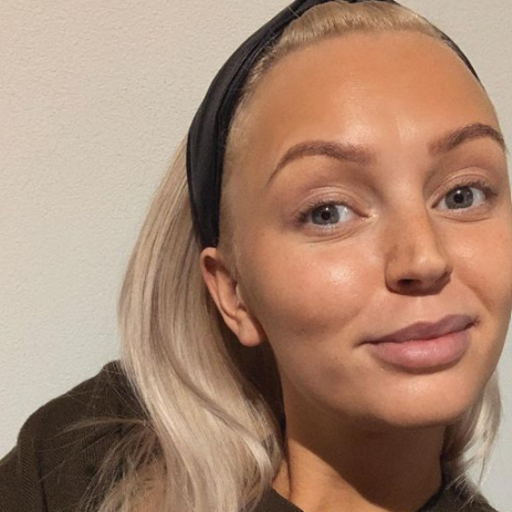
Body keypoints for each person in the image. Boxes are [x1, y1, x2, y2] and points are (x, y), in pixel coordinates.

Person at [1, 1, 510, 511]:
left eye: (462, 195)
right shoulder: (82, 464)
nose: (424, 259)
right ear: (232, 291)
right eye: (328, 212)